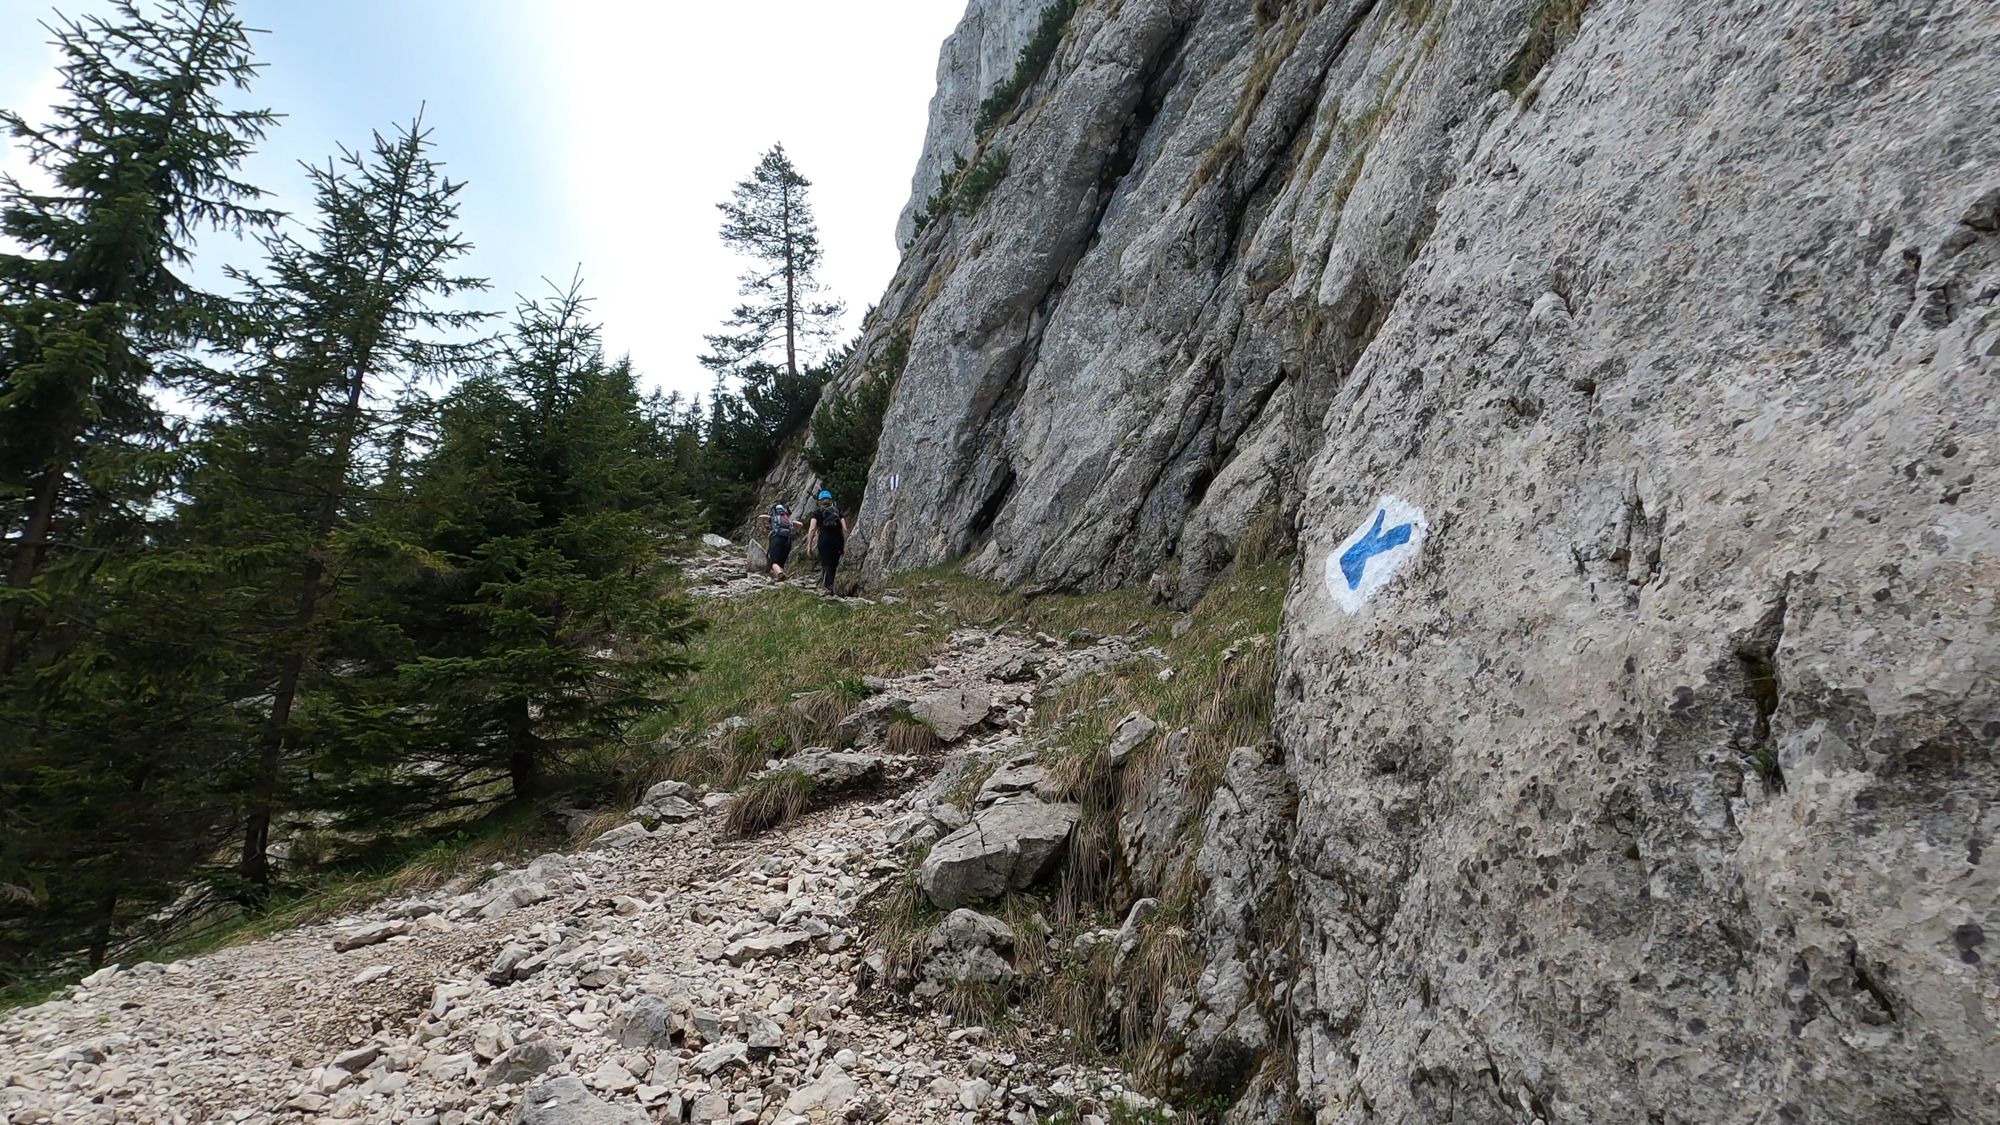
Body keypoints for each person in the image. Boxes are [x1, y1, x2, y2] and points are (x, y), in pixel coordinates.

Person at [806, 490, 848, 594]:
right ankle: (831, 587)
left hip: (824, 539)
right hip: (838, 540)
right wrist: (845, 544)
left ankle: (827, 588)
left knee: (826, 563)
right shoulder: (837, 512)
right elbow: (845, 529)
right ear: (830, 500)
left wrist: (809, 546)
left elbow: (812, 530)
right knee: (834, 564)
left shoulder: (817, 513)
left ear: (820, 501)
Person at [766, 503, 795, 579]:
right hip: (788, 540)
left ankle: (779, 573)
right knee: (781, 562)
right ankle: (782, 577)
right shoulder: (788, 519)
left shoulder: (774, 518)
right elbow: (800, 524)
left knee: (773, 561)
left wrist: (763, 523)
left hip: (777, 539)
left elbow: (761, 517)